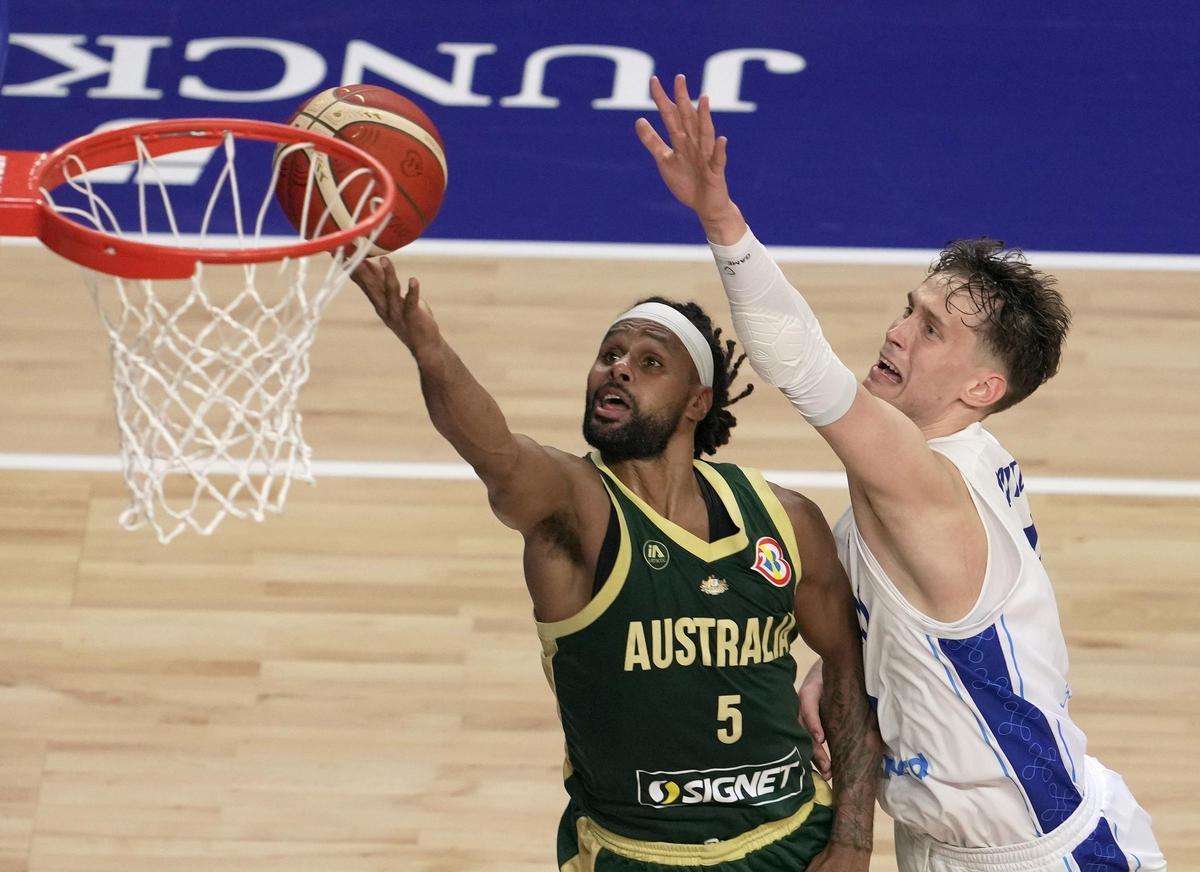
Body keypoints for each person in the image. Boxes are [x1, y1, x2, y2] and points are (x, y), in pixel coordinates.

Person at [636, 74, 1166, 872]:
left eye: (930, 329)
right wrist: (842, 671)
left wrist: (719, 215)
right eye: (907, 308)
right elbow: (910, 621)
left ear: (981, 389)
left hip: (1035, 855)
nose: (896, 332)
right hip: (938, 844)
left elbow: (801, 365)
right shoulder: (925, 481)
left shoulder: (925, 485)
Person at [349, 258, 881, 870]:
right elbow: (495, 453)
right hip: (636, 854)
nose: (619, 367)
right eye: (609, 355)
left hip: (791, 840)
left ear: (696, 401)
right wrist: (430, 352)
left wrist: (853, 838)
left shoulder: (784, 520)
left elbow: (847, 668)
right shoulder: (576, 512)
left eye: (649, 362)